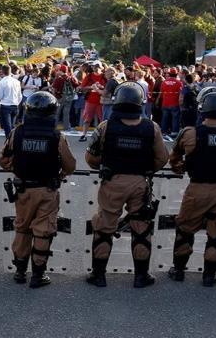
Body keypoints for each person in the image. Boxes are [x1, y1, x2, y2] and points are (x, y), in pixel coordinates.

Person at [84, 82, 168, 288]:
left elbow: (91, 158)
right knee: (141, 228)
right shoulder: (152, 127)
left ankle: (99, 275)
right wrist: (147, 170)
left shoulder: (105, 126)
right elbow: (162, 158)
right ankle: (141, 276)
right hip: (140, 183)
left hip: (112, 182)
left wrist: (105, 166)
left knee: (104, 227)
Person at [167, 89, 216, 287]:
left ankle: (178, 270)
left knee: (185, 230)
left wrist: (181, 169)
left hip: (197, 189)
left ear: (202, 108)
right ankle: (209, 276)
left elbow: (174, 159)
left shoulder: (190, 133)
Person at [0, 91, 76, 288]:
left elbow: (3, 159)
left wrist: (16, 168)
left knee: (22, 229)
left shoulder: (17, 132)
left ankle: (20, 271)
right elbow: (70, 165)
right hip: (47, 190)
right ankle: (38, 275)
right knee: (42, 231)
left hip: (23, 189)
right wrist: (60, 175)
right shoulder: (57, 136)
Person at [78, 64, 107, 142]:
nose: (96, 68)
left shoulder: (105, 77)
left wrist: (102, 87)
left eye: (98, 67)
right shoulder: (89, 76)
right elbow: (82, 87)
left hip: (101, 102)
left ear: (102, 68)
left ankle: (103, 137)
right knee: (87, 119)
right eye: (94, 67)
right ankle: (84, 135)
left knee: (103, 120)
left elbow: (109, 87)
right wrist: (91, 87)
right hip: (90, 101)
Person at [0, 65, 23, 138]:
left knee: (8, 128)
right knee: (11, 127)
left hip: (5, 106)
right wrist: (16, 103)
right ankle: (12, 143)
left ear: (2, 71)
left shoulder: (2, 82)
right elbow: (20, 96)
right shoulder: (16, 81)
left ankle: (9, 145)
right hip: (15, 105)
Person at [52, 65, 78, 131]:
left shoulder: (58, 78)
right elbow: (76, 85)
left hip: (60, 97)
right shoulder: (71, 77)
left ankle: (54, 126)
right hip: (69, 97)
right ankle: (66, 127)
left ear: (61, 71)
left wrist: (54, 96)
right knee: (66, 113)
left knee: (57, 112)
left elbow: (54, 89)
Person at [159, 68, 183, 137]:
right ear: (176, 74)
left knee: (164, 118)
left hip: (165, 103)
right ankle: (174, 132)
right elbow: (181, 94)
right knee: (175, 118)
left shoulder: (164, 82)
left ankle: (163, 132)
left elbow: (161, 92)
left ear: (169, 74)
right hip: (175, 104)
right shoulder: (179, 83)